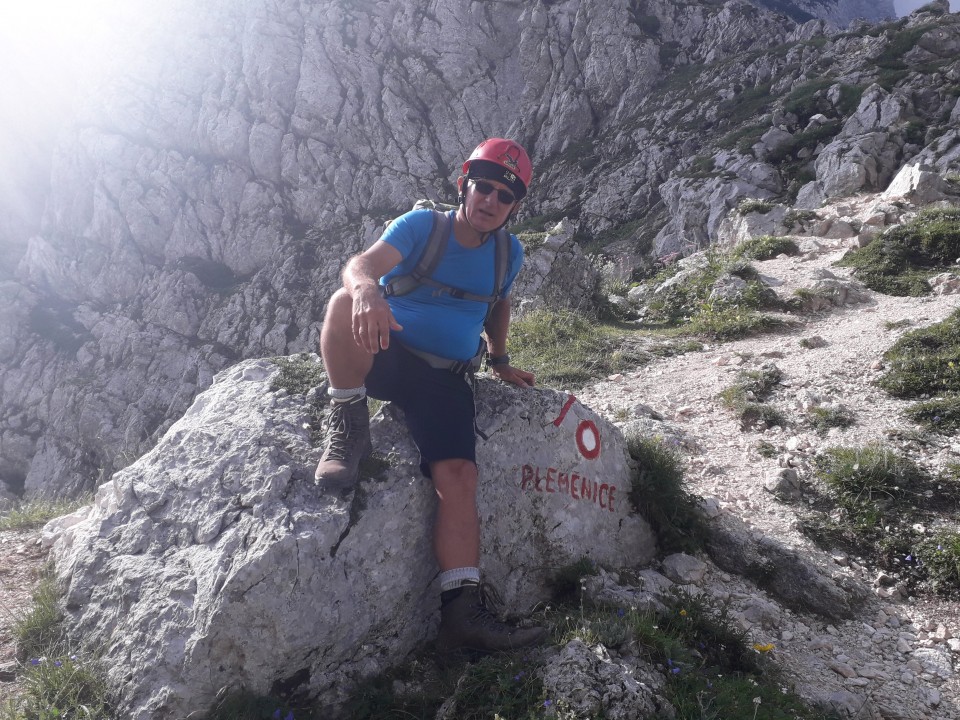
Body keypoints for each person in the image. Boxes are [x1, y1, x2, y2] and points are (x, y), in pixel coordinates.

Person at [315, 138, 547, 654]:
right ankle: (350, 423)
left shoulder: (510, 252)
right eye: (483, 187)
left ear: (514, 206)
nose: (490, 201)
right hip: (387, 353)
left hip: (444, 378)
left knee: (459, 475)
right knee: (339, 301)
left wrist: (502, 360)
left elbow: (499, 303)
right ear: (464, 183)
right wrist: (368, 291)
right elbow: (359, 265)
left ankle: (462, 612)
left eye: (503, 196)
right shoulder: (423, 227)